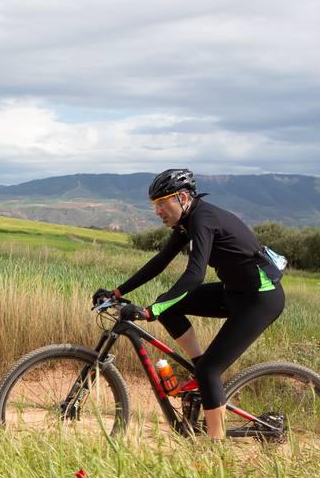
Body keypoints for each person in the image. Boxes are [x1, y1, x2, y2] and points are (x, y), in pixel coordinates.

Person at [91, 168, 284, 440]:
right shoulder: (187, 221)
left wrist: (152, 310)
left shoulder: (203, 219)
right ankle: (200, 370)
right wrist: (118, 291)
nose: (157, 211)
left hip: (260, 300)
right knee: (186, 334)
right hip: (234, 292)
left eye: (161, 203)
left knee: (210, 371)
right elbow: (160, 261)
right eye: (154, 205)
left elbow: (195, 275)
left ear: (182, 197)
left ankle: (213, 447)